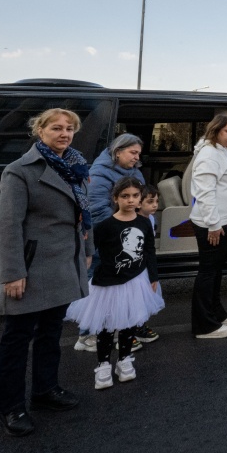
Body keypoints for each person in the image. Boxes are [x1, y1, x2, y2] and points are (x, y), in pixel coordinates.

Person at [0, 108, 94, 437]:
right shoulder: (19, 171)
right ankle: (11, 407)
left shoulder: (76, 168)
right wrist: (12, 273)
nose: (64, 134)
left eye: (69, 129)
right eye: (56, 128)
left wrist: (88, 252)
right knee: (17, 340)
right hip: (32, 268)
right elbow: (9, 227)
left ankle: (45, 391)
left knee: (51, 334)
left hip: (65, 263)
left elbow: (84, 215)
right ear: (40, 131)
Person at [66, 177, 163, 390]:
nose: (130, 200)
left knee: (129, 322)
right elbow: (89, 249)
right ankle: (103, 366)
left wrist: (153, 276)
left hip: (135, 280)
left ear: (140, 199)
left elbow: (149, 251)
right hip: (108, 284)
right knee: (106, 327)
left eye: (135, 196)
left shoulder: (144, 222)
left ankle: (125, 360)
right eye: (125, 196)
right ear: (115, 198)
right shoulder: (106, 225)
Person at [75, 134, 156, 352]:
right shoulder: (100, 173)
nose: (136, 157)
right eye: (132, 152)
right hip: (109, 239)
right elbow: (97, 209)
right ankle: (87, 334)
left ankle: (122, 329)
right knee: (96, 287)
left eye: (138, 153)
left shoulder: (133, 171)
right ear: (117, 151)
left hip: (127, 235)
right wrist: (122, 231)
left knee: (122, 288)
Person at [190, 114, 227, 339]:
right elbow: (205, 192)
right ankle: (204, 326)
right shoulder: (209, 154)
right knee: (208, 271)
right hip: (213, 224)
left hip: (226, 220)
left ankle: (215, 312)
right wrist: (213, 224)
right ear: (215, 131)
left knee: (217, 270)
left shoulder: (221, 150)